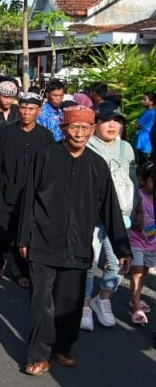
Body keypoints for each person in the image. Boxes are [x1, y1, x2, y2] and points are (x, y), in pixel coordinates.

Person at [18, 105, 131, 376]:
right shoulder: (45, 156)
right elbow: (29, 199)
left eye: (85, 128)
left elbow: (110, 209)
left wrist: (121, 247)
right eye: (73, 127)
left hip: (78, 245)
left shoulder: (97, 165)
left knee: (70, 302)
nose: (79, 133)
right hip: (43, 241)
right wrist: (24, 237)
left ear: (92, 131)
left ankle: (62, 348)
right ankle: (39, 354)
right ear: (63, 128)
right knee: (41, 302)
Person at [0, 92, 53, 288]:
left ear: (38, 112)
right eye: (23, 108)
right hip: (7, 193)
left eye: (31, 109)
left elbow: (49, 169)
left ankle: (20, 270)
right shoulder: (7, 132)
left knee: (24, 235)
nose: (26, 112)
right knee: (1, 232)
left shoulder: (45, 137)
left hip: (32, 196)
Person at [81, 101, 137, 331]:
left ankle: (103, 298)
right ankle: (83, 302)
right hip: (92, 215)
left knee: (117, 262)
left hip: (120, 215)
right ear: (96, 124)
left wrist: (137, 211)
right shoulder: (86, 145)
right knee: (88, 261)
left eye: (117, 121)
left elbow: (132, 181)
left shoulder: (126, 148)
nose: (112, 125)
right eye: (106, 120)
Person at [129, 164, 156, 325]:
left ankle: (134, 298)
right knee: (137, 272)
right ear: (144, 179)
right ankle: (137, 307)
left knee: (144, 272)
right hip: (136, 240)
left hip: (152, 244)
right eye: (152, 179)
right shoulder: (138, 196)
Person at [135, 92, 156, 165]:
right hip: (141, 144)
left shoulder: (152, 113)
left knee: (145, 167)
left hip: (147, 146)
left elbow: (138, 125)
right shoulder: (146, 112)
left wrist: (138, 125)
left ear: (151, 102)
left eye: (144, 99)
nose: (142, 101)